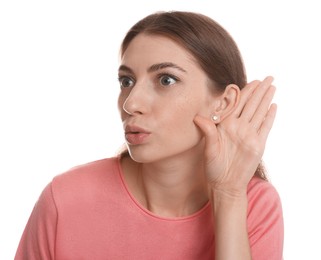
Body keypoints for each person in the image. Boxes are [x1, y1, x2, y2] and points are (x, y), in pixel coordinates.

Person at [15, 11, 284, 260]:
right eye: (126, 81)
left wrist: (228, 196)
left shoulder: (255, 205)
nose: (131, 103)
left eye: (166, 80)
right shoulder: (64, 199)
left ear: (223, 103)